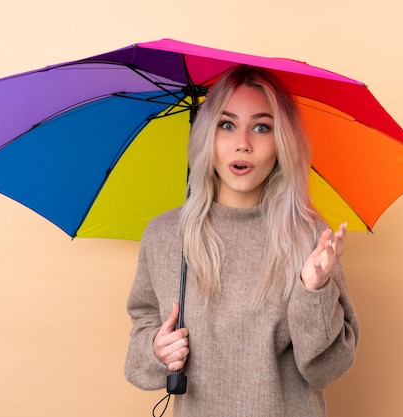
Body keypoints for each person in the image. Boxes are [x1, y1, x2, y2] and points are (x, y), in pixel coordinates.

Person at [124, 65, 359, 417]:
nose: (243, 144)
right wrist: (157, 350)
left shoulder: (310, 236)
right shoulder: (164, 235)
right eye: (227, 124)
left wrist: (314, 291)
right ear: (207, 135)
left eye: (262, 127)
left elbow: (325, 370)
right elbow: (142, 329)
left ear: (282, 143)